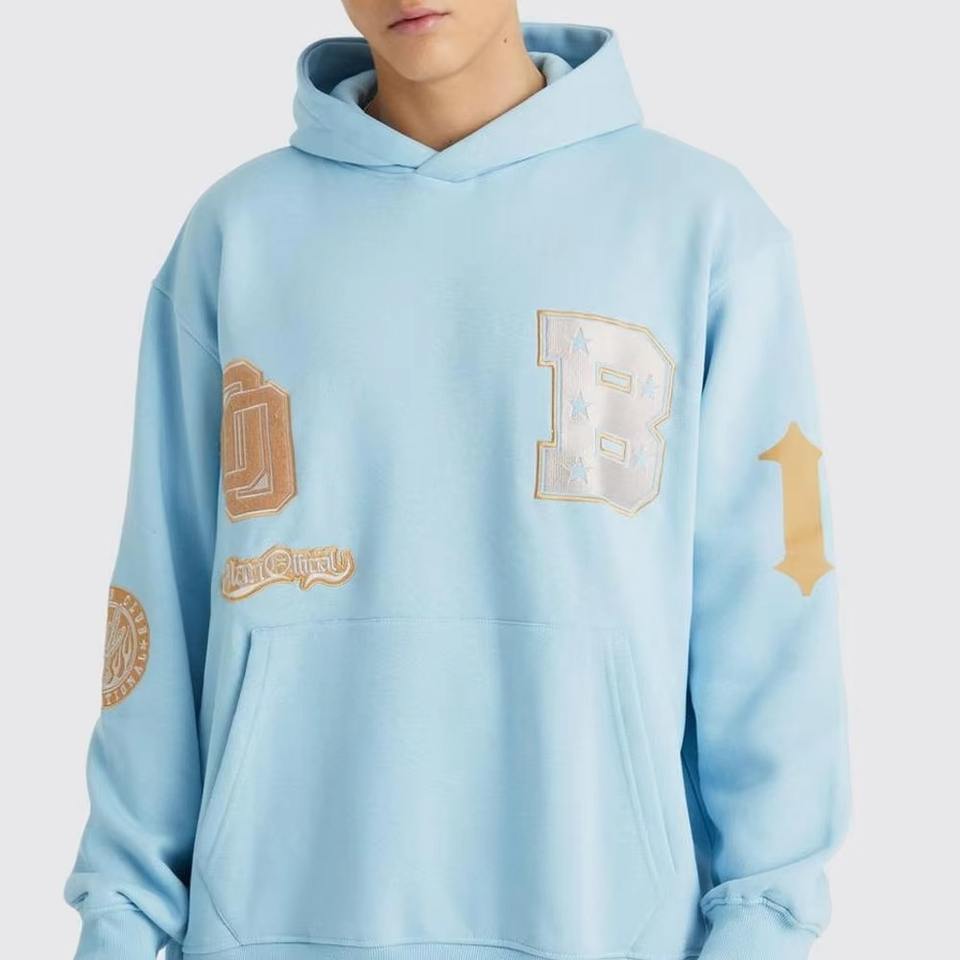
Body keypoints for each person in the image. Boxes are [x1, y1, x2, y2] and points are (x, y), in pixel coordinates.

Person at [65, 3, 850, 960]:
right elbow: (161, 587)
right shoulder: (236, 235)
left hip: (601, 927)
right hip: (268, 920)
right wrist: (119, 922)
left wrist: (764, 924)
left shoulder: (705, 226)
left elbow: (772, 612)